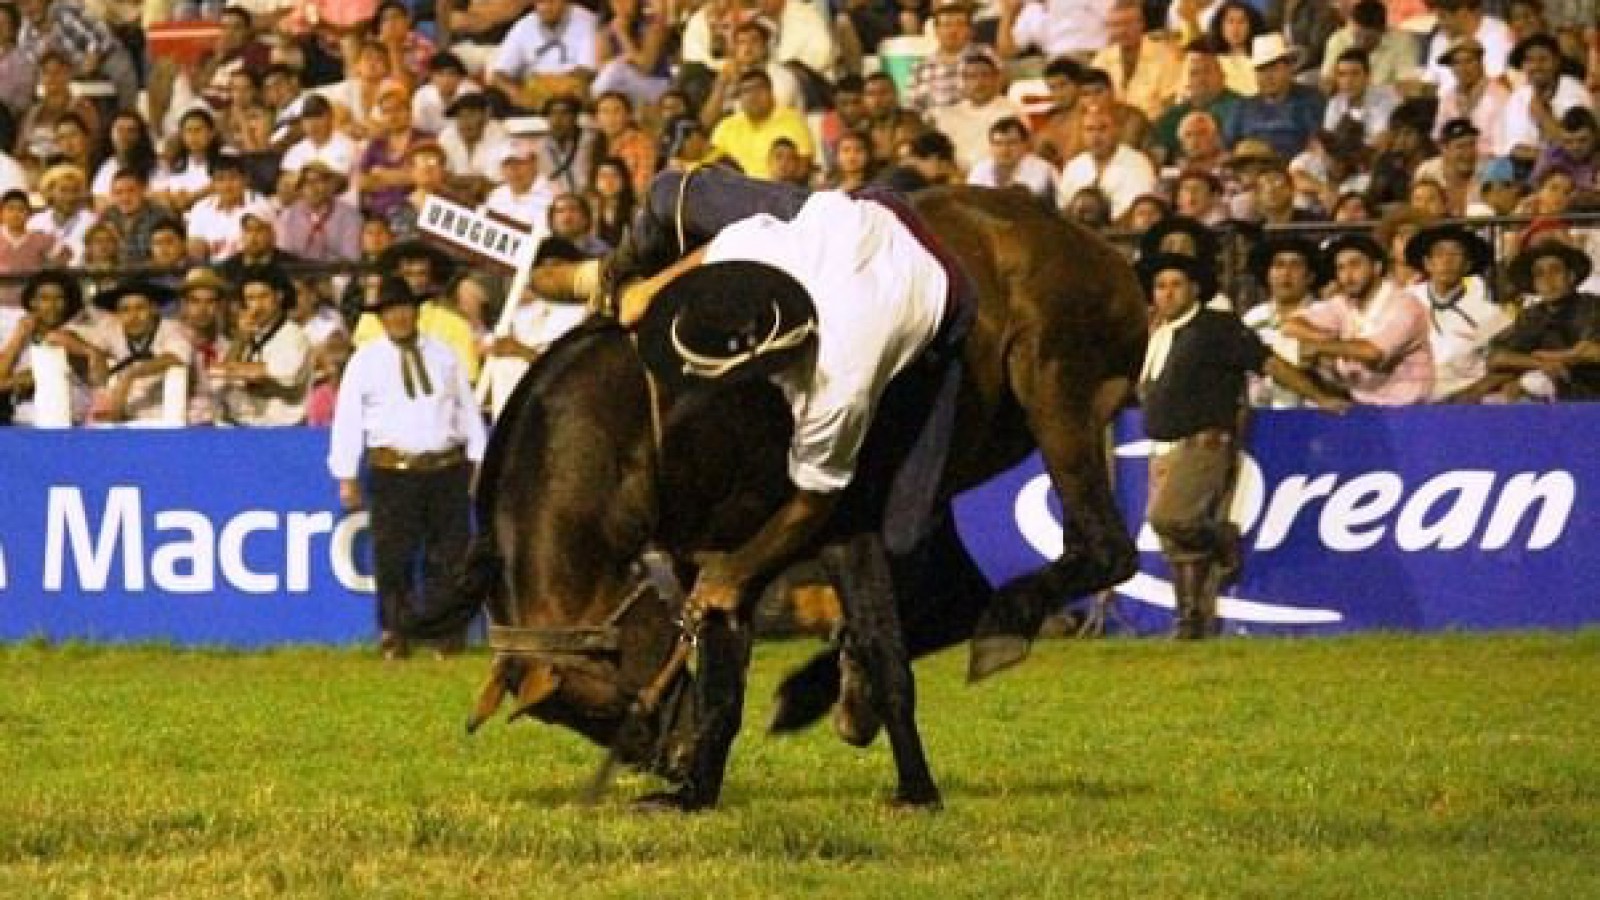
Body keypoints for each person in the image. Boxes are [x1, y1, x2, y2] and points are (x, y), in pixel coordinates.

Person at [544, 166, 973, 624]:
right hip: (836, 214)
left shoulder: (839, 380)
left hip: (930, 279)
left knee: (901, 537)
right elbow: (717, 249)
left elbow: (812, 503)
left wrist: (737, 571)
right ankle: (604, 273)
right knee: (669, 193)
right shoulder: (756, 251)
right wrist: (650, 289)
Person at [1137, 251, 1347, 639]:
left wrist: (1319, 397)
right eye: (1160, 286)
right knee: (1176, 544)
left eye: (1176, 285)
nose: (1167, 293)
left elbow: (1267, 362)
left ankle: (1223, 536)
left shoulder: (1216, 326)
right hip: (1161, 445)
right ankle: (1192, 621)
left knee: (1170, 518)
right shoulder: (1159, 333)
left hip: (1203, 442)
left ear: (1195, 290)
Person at [328, 274, 487, 660]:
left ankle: (446, 633)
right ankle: (394, 631)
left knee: (449, 553)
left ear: (416, 311)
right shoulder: (365, 360)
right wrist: (345, 473)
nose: (397, 317)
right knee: (394, 555)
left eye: (403, 308)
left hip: (446, 466)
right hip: (393, 469)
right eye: (389, 311)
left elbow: (465, 409)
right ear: (380, 318)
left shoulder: (444, 354)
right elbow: (348, 418)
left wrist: (478, 457)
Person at [1283, 233, 1434, 405]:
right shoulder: (1342, 303)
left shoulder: (1405, 306)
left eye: (1355, 265)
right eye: (1340, 268)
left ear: (1377, 267)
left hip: (1407, 412)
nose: (1347, 275)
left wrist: (1318, 348)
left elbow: (1372, 353)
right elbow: (1290, 325)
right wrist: (1326, 340)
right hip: (1359, 407)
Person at [1403, 223, 1512, 402]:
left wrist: (1476, 390)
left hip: (1463, 403)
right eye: (1439, 254)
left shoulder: (1490, 314)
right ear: (1427, 263)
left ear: (1467, 265)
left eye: (1455, 254)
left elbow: (1509, 362)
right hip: (1409, 398)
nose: (1447, 261)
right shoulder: (1406, 301)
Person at [1486, 241, 1600, 401]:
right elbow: (1495, 357)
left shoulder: (1592, 306)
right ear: (1534, 284)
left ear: (1571, 276)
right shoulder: (1531, 315)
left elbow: (1590, 353)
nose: (1548, 279)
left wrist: (1551, 356)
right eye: (1539, 274)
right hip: (1552, 397)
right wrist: (1538, 363)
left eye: (1555, 270)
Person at [214, 265, 313, 426]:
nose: (256, 306)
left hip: (282, 431)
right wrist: (240, 340)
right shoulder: (245, 335)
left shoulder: (294, 336)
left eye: (263, 297)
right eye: (250, 299)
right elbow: (218, 376)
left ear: (279, 296)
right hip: (243, 427)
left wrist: (235, 370)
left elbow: (275, 376)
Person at [88, 280, 191, 425]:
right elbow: (90, 347)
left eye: (140, 308)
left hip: (165, 417)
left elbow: (177, 357)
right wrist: (95, 355)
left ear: (154, 309)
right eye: (125, 310)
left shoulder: (171, 329)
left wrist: (131, 374)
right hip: (126, 416)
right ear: (117, 314)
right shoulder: (110, 329)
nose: (133, 316)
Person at [1241, 235, 1324, 408]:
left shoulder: (1325, 315)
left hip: (1313, 412)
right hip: (1261, 415)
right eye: (1278, 265)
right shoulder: (1253, 318)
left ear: (1310, 277)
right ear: (1268, 275)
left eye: (1295, 265)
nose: (1286, 273)